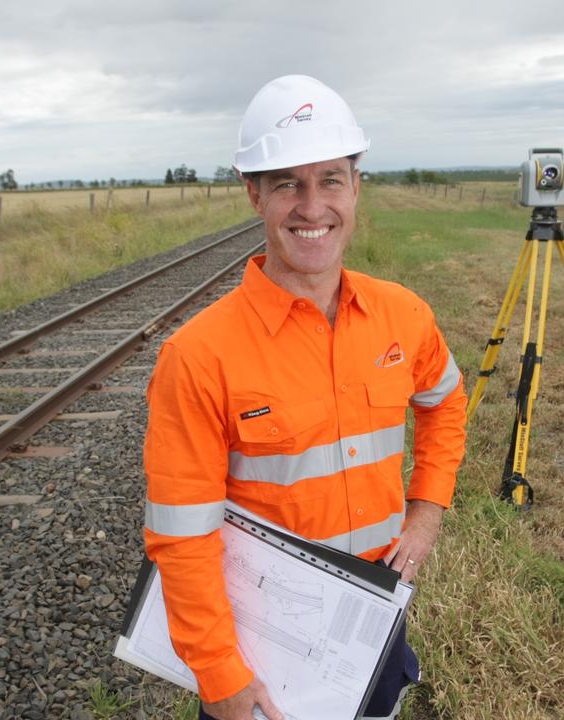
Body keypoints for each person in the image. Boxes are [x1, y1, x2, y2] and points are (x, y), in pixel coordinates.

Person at [142, 74, 467, 720]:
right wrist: (219, 673)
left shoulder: (402, 316)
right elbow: (182, 538)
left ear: (356, 188)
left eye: (330, 180)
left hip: (371, 615)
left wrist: (427, 509)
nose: (311, 207)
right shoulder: (198, 356)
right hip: (265, 645)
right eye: (288, 182)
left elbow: (446, 402)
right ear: (253, 193)